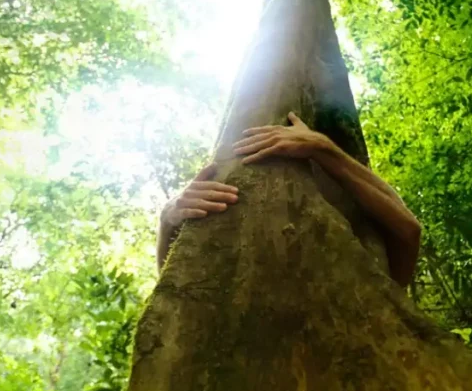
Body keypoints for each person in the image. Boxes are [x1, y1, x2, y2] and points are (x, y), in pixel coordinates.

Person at [157, 112, 421, 286]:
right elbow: (175, 293)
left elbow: (408, 231)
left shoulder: (358, 293)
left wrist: (322, 148)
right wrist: (169, 216)